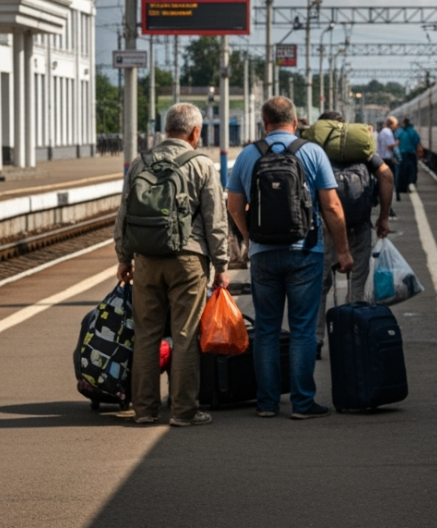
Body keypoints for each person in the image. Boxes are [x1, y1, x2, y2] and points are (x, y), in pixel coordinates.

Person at [225, 97, 354, 420]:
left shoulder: (248, 154)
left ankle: (267, 403)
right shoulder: (312, 152)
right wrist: (344, 250)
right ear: (295, 123)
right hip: (305, 253)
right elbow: (333, 208)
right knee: (302, 330)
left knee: (267, 329)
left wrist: (249, 237)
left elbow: (233, 204)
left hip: (264, 256)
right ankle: (302, 402)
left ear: (264, 123)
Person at [114, 102, 229, 427]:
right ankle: (183, 411)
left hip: (147, 259)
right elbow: (214, 220)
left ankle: (145, 410)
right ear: (195, 132)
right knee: (184, 334)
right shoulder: (201, 165)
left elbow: (123, 214)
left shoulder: (140, 162)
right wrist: (221, 265)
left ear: (166, 130)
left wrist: (124, 258)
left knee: (146, 335)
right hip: (188, 260)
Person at [311, 111, 394, 357]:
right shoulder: (362, 149)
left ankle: (316, 341)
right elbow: (387, 176)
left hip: (326, 225)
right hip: (358, 225)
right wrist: (384, 216)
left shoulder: (316, 149)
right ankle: (353, 336)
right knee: (357, 282)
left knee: (320, 285)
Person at [393, 116, 422, 200]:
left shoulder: (399, 131)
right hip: (412, 153)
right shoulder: (413, 131)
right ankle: (411, 183)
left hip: (402, 154)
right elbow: (417, 140)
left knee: (402, 171)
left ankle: (403, 186)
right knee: (412, 170)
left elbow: (395, 140)